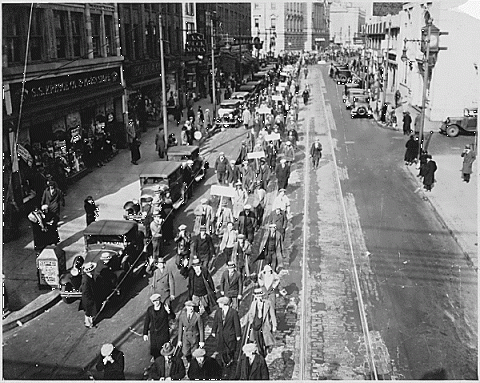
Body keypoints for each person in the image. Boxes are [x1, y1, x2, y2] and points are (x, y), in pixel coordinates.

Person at [143, 293, 176, 361]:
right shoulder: (150, 309)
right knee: (155, 350)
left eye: (157, 300)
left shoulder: (165, 307)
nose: (156, 303)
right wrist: (145, 333)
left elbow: (173, 317)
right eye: (154, 301)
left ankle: (166, 361)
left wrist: (168, 311)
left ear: (160, 300)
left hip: (163, 332)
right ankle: (157, 361)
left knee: (165, 349)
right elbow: (147, 321)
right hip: (154, 333)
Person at [211, 296, 242, 367]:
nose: (218, 304)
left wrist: (238, 335)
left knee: (231, 349)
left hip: (230, 335)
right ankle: (224, 362)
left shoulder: (233, 312)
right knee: (222, 350)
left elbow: (237, 324)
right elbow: (215, 322)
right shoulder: (218, 312)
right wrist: (213, 331)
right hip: (221, 335)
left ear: (223, 304)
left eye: (219, 303)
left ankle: (231, 359)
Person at [247, 287, 277, 357]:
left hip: (265, 325)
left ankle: (267, 347)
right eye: (257, 296)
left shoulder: (268, 303)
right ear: (255, 296)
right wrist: (251, 321)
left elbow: (272, 315)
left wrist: (274, 325)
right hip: (256, 325)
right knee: (258, 340)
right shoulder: (253, 304)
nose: (258, 297)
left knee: (265, 339)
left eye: (260, 296)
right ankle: (261, 354)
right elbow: (250, 314)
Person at [80, 262, 97, 329]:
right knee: (88, 312)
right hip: (88, 299)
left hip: (89, 297)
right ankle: (88, 324)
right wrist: (90, 299)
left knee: (90, 311)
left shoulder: (88, 276)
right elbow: (85, 291)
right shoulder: (86, 280)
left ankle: (89, 322)